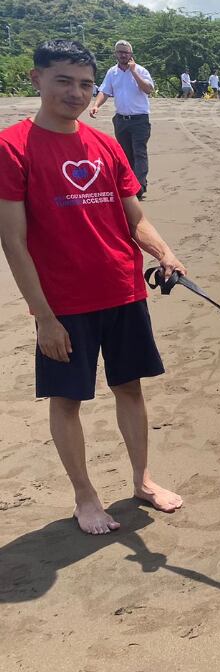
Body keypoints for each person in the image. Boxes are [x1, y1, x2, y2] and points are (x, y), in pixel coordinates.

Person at [0, 40, 186, 535]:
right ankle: (85, 496)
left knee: (130, 388)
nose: (77, 93)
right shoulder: (13, 146)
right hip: (63, 304)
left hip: (124, 290)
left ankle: (142, 480)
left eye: (85, 84)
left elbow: (133, 217)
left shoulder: (105, 145)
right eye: (63, 81)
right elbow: (13, 241)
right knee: (67, 400)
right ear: (36, 79)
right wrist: (43, 316)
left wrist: (164, 252)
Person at [88, 40, 155, 200]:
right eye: (120, 52)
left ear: (131, 54)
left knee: (139, 152)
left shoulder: (140, 70)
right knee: (126, 154)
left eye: (126, 52)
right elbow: (105, 91)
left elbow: (148, 89)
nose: (123, 55)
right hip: (121, 119)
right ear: (115, 54)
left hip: (140, 119)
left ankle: (139, 186)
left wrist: (134, 72)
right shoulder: (112, 72)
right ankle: (131, 184)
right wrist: (96, 105)